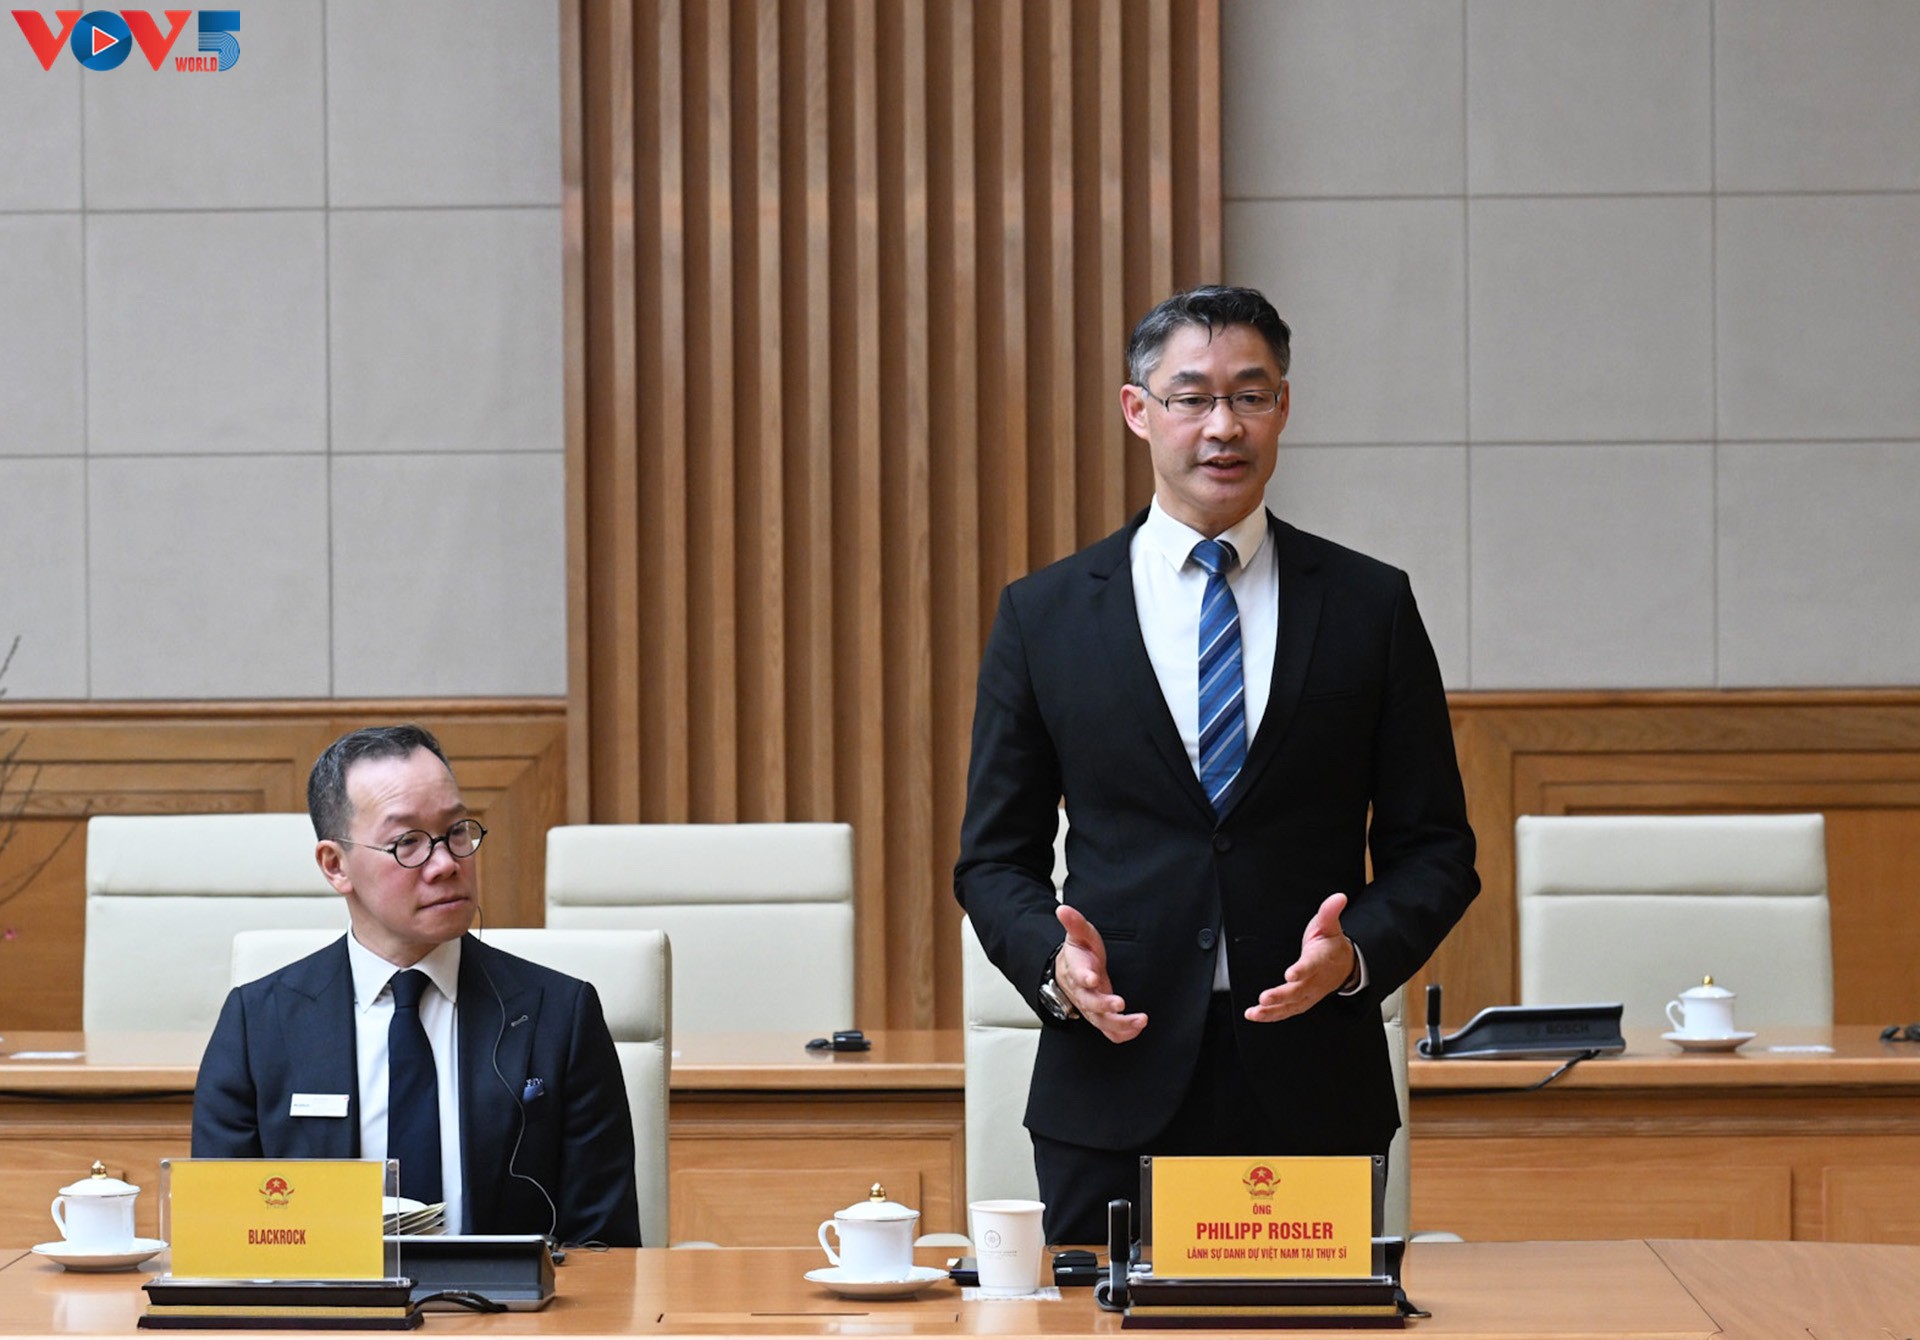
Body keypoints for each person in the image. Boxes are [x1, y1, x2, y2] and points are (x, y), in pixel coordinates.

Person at [955, 285, 1478, 1245]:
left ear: (1284, 406)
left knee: (1307, 1322)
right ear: (1138, 409)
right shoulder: (1046, 615)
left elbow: (1438, 848)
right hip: (1113, 1077)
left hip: (1313, 1082)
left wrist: (1356, 956)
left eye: (1250, 394)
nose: (1222, 426)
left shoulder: (1369, 606)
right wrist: (1053, 965)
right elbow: (993, 860)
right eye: (1191, 397)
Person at [192, 724, 642, 1247]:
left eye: (457, 832)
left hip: (508, 1302)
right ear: (336, 866)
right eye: (408, 842)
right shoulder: (257, 1024)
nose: (447, 864)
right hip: (326, 1300)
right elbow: (226, 1240)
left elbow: (603, 1246)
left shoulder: (560, 1014)